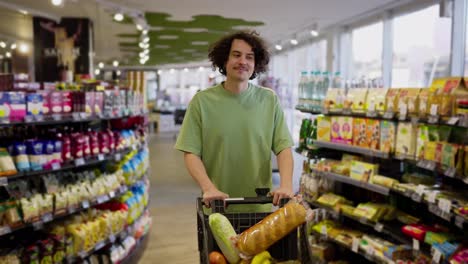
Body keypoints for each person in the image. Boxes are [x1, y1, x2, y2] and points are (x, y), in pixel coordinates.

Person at [175, 31, 294, 211]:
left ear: (256, 64)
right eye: (236, 55)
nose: (243, 62)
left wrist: (286, 185)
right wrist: (208, 188)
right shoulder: (202, 101)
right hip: (217, 205)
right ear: (224, 60)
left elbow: (283, 147)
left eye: (249, 57)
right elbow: (191, 152)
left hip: (260, 205)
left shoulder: (269, 100)